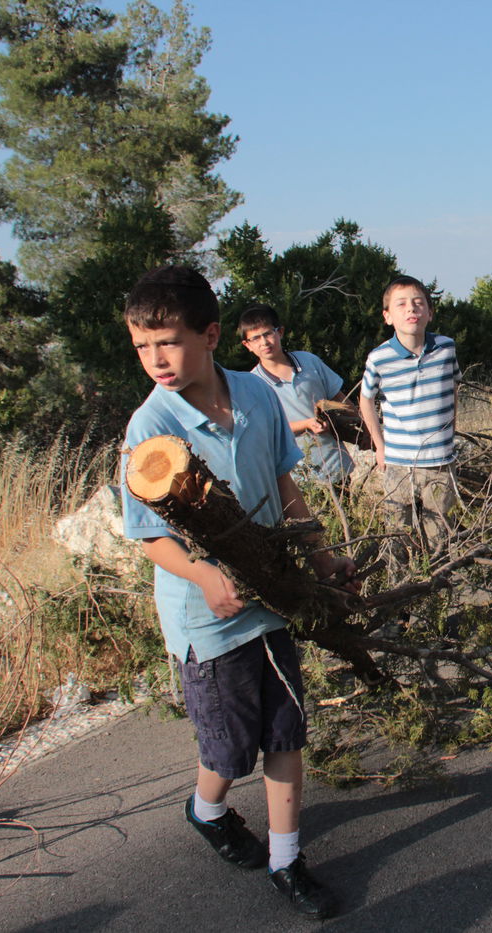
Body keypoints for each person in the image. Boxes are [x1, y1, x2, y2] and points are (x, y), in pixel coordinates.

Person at [119, 266, 351, 920]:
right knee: (229, 748)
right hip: (207, 618)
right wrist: (203, 574)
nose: (155, 358)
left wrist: (322, 556)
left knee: (285, 731)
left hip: (270, 596)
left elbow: (284, 484)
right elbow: (148, 536)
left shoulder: (255, 394)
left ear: (211, 334)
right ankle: (207, 808)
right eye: (141, 346)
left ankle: (287, 860)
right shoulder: (150, 426)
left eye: (168, 341)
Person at [358, 275, 461, 550]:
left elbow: (453, 387)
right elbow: (365, 400)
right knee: (397, 533)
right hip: (399, 462)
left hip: (440, 461)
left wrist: (451, 430)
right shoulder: (379, 358)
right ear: (387, 316)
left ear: (430, 312)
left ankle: (438, 574)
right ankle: (399, 575)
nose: (411, 309)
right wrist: (380, 446)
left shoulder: (446, 348)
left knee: (440, 533)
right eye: (401, 304)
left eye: (418, 303)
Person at [237, 303, 355, 488]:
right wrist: (306, 424)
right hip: (298, 474)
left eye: (268, 334)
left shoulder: (309, 361)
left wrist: (362, 424)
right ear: (247, 345)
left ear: (280, 332)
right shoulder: (253, 384)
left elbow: (339, 398)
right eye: (256, 338)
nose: (264, 342)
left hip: (335, 462)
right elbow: (266, 429)